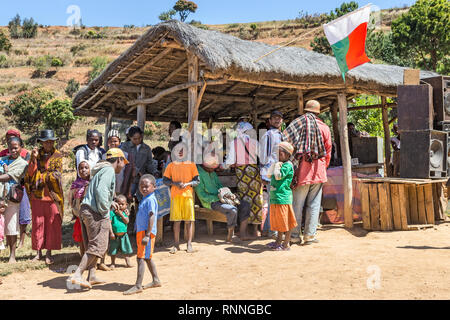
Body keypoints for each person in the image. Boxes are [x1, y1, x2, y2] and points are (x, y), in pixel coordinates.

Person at [68, 148, 128, 289]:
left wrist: (109, 202)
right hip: (96, 212)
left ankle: (92, 275)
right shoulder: (109, 171)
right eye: (123, 162)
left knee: (93, 244)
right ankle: (78, 274)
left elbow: (99, 192)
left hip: (88, 209)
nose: (124, 165)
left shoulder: (101, 170)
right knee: (98, 245)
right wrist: (105, 212)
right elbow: (101, 192)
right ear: (118, 159)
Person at [282, 100, 332, 245]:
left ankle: (295, 235)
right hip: (319, 171)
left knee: (297, 203)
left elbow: (286, 141)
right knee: (314, 204)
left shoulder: (298, 124)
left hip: (301, 170)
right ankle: (310, 235)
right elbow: (328, 151)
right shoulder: (324, 127)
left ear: (305, 111)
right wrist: (323, 167)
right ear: (318, 112)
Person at [24, 130, 64, 265]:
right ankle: (38, 252)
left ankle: (49, 253)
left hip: (53, 196)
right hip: (37, 196)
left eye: (51, 141)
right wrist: (34, 159)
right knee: (38, 223)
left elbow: (57, 175)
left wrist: (41, 177)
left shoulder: (57, 155)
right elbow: (30, 173)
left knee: (52, 223)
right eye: (46, 141)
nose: (49, 143)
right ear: (41, 142)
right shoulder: (35, 155)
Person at [195, 154, 253, 242]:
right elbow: (203, 196)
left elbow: (220, 187)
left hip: (221, 199)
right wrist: (219, 198)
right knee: (232, 210)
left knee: (245, 205)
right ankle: (230, 236)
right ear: (204, 166)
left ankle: (242, 233)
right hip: (210, 202)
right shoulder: (199, 175)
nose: (213, 169)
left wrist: (229, 194)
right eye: (211, 168)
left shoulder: (212, 173)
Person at [123, 174, 161, 295]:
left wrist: (147, 234)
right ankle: (156, 280)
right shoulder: (146, 198)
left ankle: (138, 285)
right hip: (143, 232)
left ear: (154, 187)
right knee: (147, 258)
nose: (144, 188)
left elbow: (151, 216)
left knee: (140, 258)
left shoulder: (150, 199)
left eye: (147, 186)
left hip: (146, 233)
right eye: (141, 186)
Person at [163, 143, 199, 254]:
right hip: (176, 196)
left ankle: (189, 244)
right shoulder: (171, 165)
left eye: (183, 150)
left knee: (189, 221)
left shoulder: (191, 165)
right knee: (176, 221)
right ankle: (176, 244)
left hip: (187, 195)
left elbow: (197, 181)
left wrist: (187, 183)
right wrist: (175, 183)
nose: (180, 152)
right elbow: (165, 180)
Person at [0, 130, 31, 249]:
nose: (13, 150)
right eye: (10, 146)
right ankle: (5, 244)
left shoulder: (23, 160)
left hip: (15, 193)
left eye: (15, 147)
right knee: (4, 222)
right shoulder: (3, 157)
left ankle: (16, 248)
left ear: (21, 146)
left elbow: (10, 176)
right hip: (2, 195)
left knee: (16, 221)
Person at [266, 141, 297, 251]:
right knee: (280, 222)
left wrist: (277, 166)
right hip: (276, 198)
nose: (278, 156)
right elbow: (269, 175)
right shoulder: (279, 164)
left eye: (281, 154)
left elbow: (278, 177)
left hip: (283, 198)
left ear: (288, 155)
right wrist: (274, 165)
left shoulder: (287, 165)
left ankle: (286, 243)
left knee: (285, 222)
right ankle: (278, 241)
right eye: (277, 153)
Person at [260, 110, 284, 237]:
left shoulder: (281, 134)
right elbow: (263, 157)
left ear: (282, 120)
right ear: (269, 121)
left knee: (272, 202)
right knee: (274, 202)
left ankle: (269, 230)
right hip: (271, 173)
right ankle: (272, 231)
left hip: (279, 173)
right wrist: (263, 176)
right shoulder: (268, 135)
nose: (277, 120)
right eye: (274, 118)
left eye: (279, 118)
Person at [121, 126, 157, 202]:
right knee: (126, 199)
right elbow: (123, 160)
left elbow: (149, 162)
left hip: (142, 179)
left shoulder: (146, 148)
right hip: (129, 179)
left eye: (139, 138)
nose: (137, 140)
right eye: (135, 139)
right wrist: (136, 170)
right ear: (130, 137)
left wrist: (154, 172)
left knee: (142, 200)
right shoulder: (125, 146)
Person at [68, 160, 90, 257]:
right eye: (81, 168)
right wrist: (74, 211)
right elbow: (71, 199)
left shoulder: (93, 182)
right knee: (82, 237)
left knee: (91, 237)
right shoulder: (75, 184)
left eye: (86, 167)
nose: (83, 170)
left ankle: (92, 259)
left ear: (90, 169)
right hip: (79, 214)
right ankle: (83, 257)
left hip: (91, 214)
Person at [103, 129, 133, 196]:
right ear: (107, 143)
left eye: (115, 141)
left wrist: (127, 189)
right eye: (111, 141)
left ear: (119, 142)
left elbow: (129, 173)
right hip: (108, 188)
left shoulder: (125, 155)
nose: (113, 143)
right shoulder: (104, 156)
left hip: (121, 187)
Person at [108, 194, 133, 269]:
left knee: (125, 250)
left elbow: (127, 221)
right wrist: (111, 233)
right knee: (113, 250)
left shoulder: (125, 213)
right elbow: (109, 222)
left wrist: (121, 215)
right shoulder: (112, 213)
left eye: (122, 204)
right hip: (114, 235)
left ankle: (128, 262)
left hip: (124, 235)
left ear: (126, 205)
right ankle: (112, 263)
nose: (120, 206)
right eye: (118, 204)